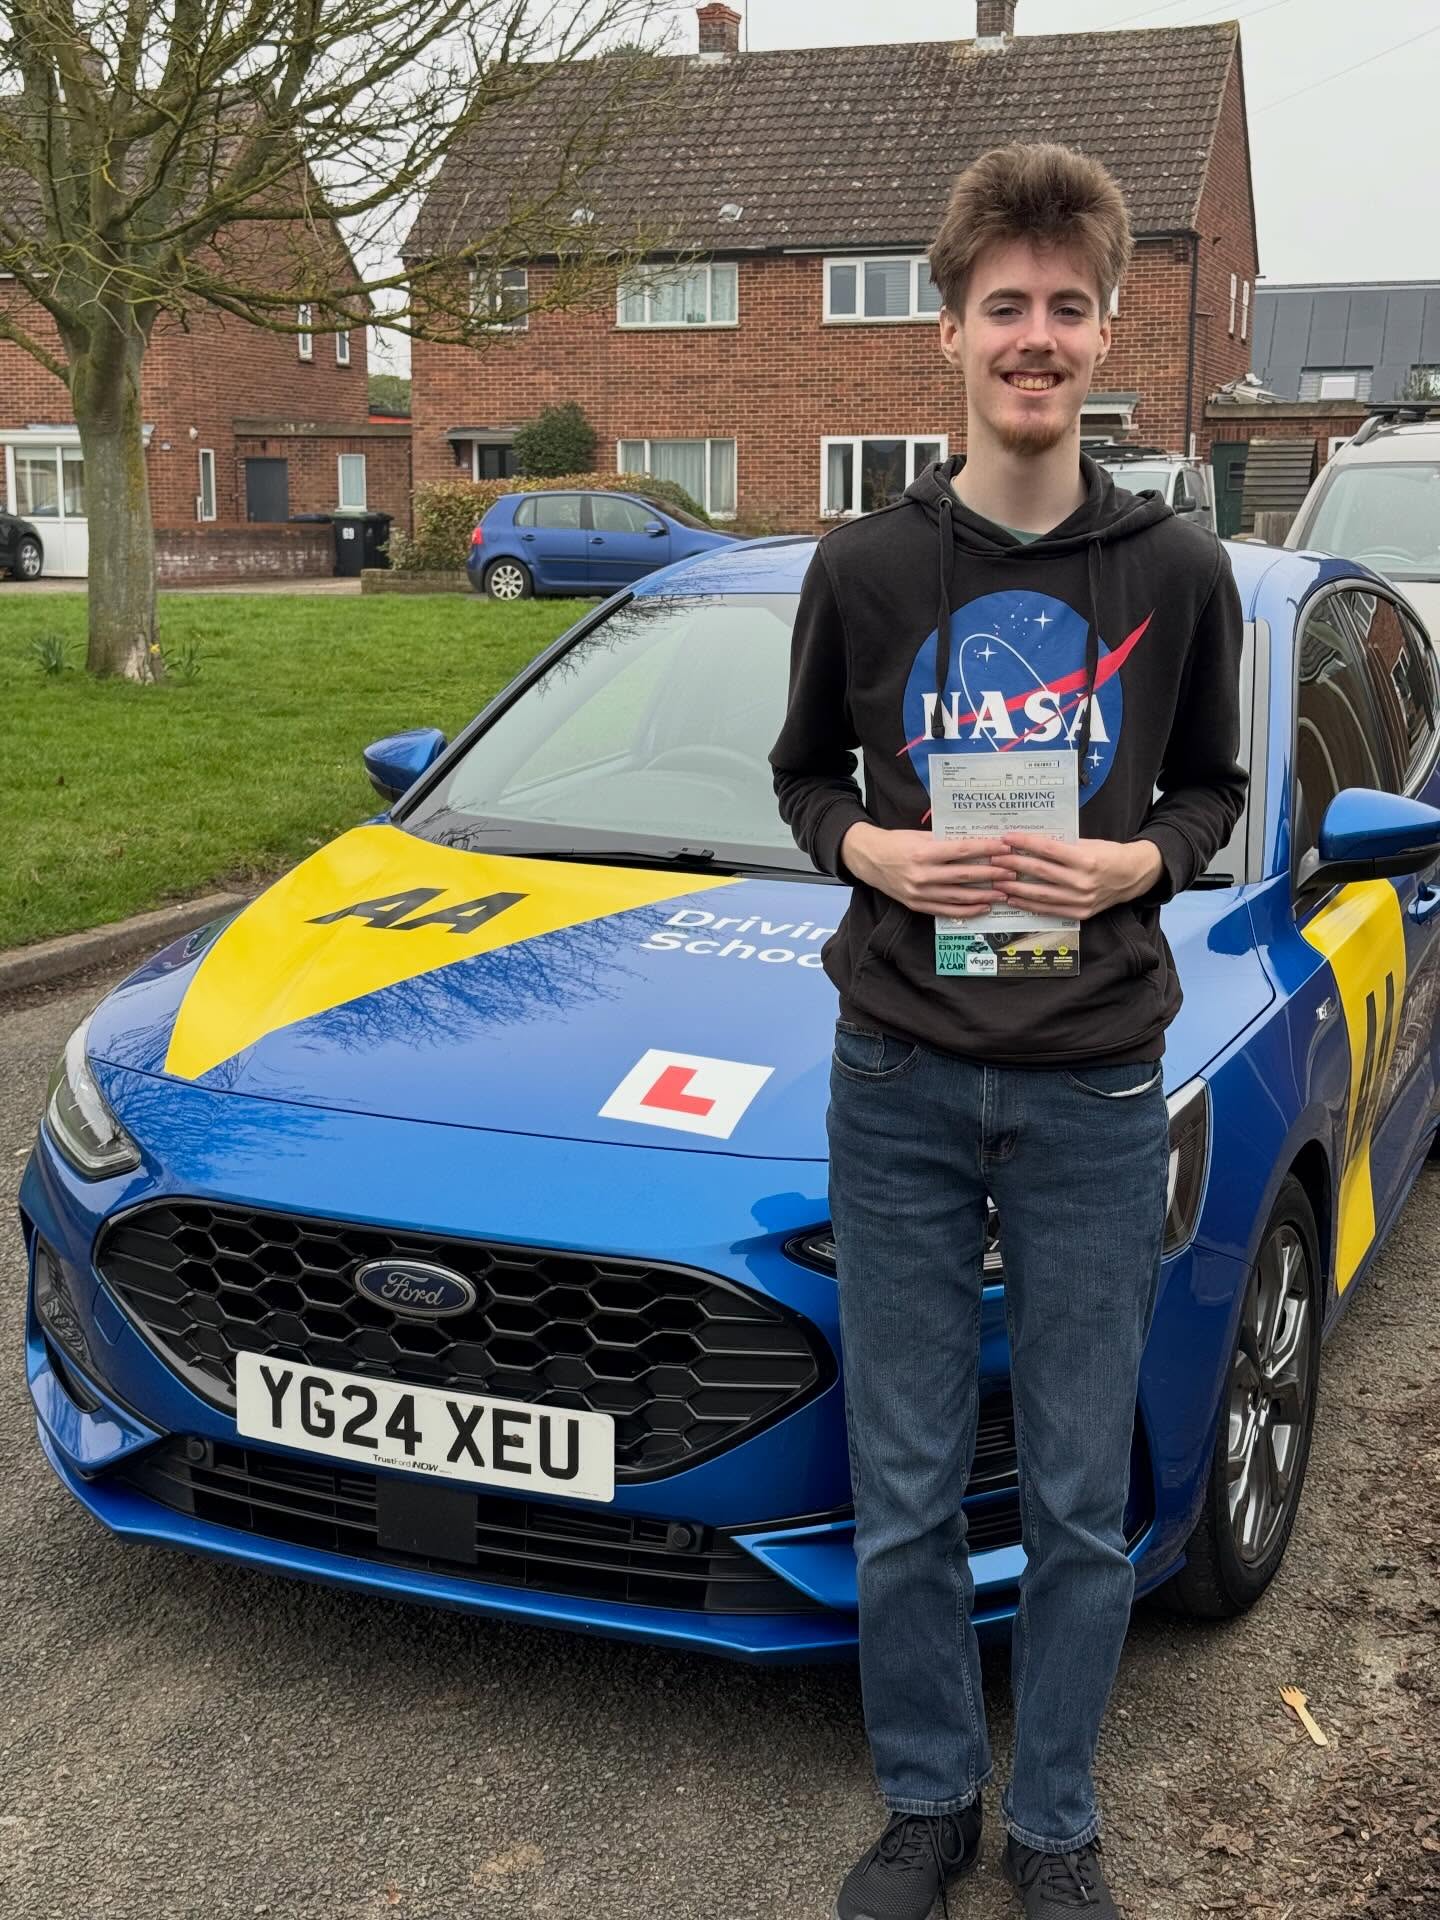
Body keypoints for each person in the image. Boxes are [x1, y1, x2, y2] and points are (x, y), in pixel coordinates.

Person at [769, 143, 1246, 1920]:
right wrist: (871, 849)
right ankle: (926, 1805)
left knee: (1072, 1488)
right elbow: (803, 777)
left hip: (1096, 1080)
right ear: (950, 336)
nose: (1034, 338)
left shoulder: (1177, 568)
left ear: (1106, 331)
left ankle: (1054, 1823)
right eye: (1003, 308)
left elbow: (1213, 788)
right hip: (895, 1072)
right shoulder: (867, 565)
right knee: (901, 1480)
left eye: (1066, 307)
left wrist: (1137, 862)